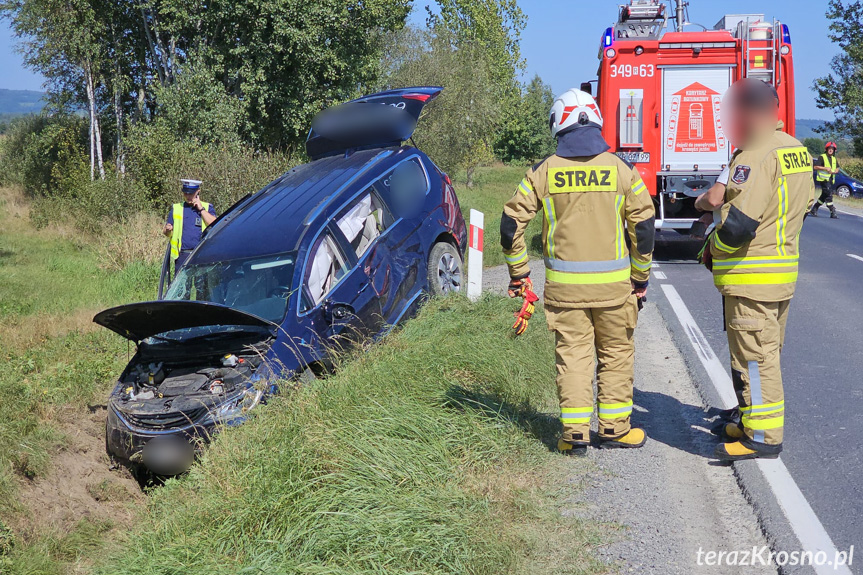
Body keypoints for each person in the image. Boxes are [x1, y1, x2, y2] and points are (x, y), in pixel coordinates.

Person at [500, 88, 656, 457]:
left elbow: (510, 226)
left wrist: (520, 274)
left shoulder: (543, 172)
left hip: (565, 292)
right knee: (616, 354)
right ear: (596, 121)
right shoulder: (622, 170)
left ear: (559, 124)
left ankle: (574, 435)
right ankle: (615, 429)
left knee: (573, 356)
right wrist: (640, 277)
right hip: (616, 290)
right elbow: (645, 228)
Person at [694, 78, 814, 461]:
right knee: (764, 353)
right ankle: (750, 420)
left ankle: (762, 437)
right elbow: (802, 209)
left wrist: (712, 247)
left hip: (751, 279)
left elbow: (740, 224)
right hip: (780, 276)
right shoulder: (796, 150)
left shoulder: (755, 154)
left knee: (756, 359)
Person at [163, 179, 217, 273]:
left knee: (201, 286)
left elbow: (215, 224)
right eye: (185, 193)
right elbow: (167, 232)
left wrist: (201, 209)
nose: (188, 196)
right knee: (182, 287)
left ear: (198, 192)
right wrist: (168, 230)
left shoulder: (207, 207)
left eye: (190, 194)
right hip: (183, 255)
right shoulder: (177, 208)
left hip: (201, 254)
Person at [809, 142, 839, 218]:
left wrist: (836, 170)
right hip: (823, 179)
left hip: (830, 180)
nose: (830, 150)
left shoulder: (834, 159)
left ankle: (814, 209)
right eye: (829, 149)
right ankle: (832, 210)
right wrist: (825, 168)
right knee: (829, 195)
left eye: (832, 149)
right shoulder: (822, 157)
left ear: (834, 150)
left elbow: (838, 167)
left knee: (824, 195)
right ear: (826, 149)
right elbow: (815, 167)